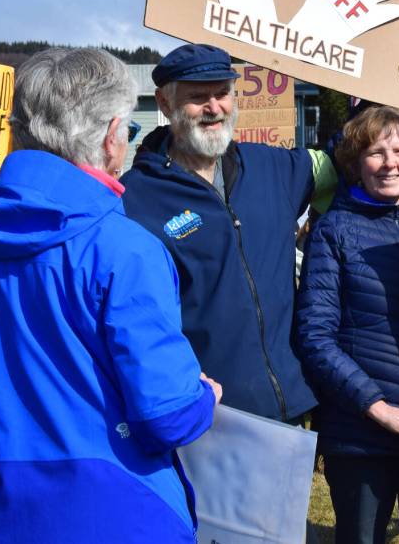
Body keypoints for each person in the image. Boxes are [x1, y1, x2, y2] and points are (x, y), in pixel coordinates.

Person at [0, 48, 221, 543]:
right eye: (129, 133)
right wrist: (204, 396)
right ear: (111, 137)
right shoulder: (127, 251)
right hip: (122, 513)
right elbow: (167, 415)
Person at [121, 43, 336, 422]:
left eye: (222, 93)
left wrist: (392, 96)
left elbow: (354, 161)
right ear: (165, 103)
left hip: (295, 408)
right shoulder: (135, 200)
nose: (214, 107)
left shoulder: (272, 166)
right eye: (197, 97)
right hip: (212, 418)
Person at [295, 106, 399, 544]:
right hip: (360, 435)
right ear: (355, 164)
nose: (390, 162)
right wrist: (379, 409)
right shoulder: (333, 230)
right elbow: (315, 337)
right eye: (376, 152)